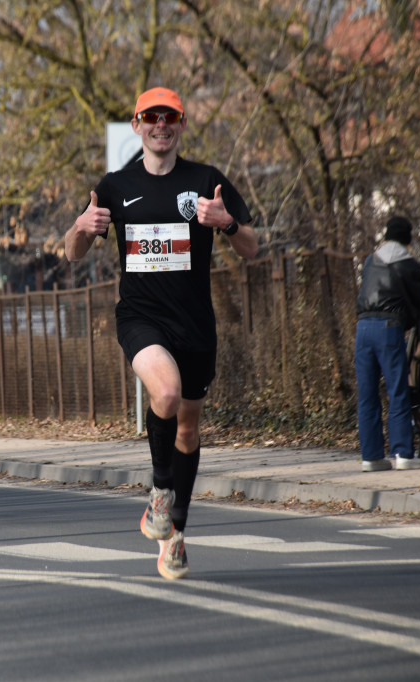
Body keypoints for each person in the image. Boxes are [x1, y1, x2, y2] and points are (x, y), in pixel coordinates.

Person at [64, 87, 259, 580]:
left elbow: (252, 247)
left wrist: (228, 223)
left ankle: (175, 535)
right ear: (137, 125)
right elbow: (71, 252)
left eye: (169, 117)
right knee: (166, 392)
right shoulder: (115, 185)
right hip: (141, 317)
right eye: (151, 117)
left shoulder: (206, 181)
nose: (160, 125)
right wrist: (83, 228)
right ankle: (158, 492)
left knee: (189, 429)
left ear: (181, 124)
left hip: (194, 324)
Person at [354, 216, 420, 472]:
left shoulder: (370, 259)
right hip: (389, 330)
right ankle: (402, 454)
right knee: (397, 392)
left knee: (367, 395)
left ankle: (371, 457)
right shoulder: (408, 264)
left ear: (387, 235)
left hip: (362, 328)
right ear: (407, 238)